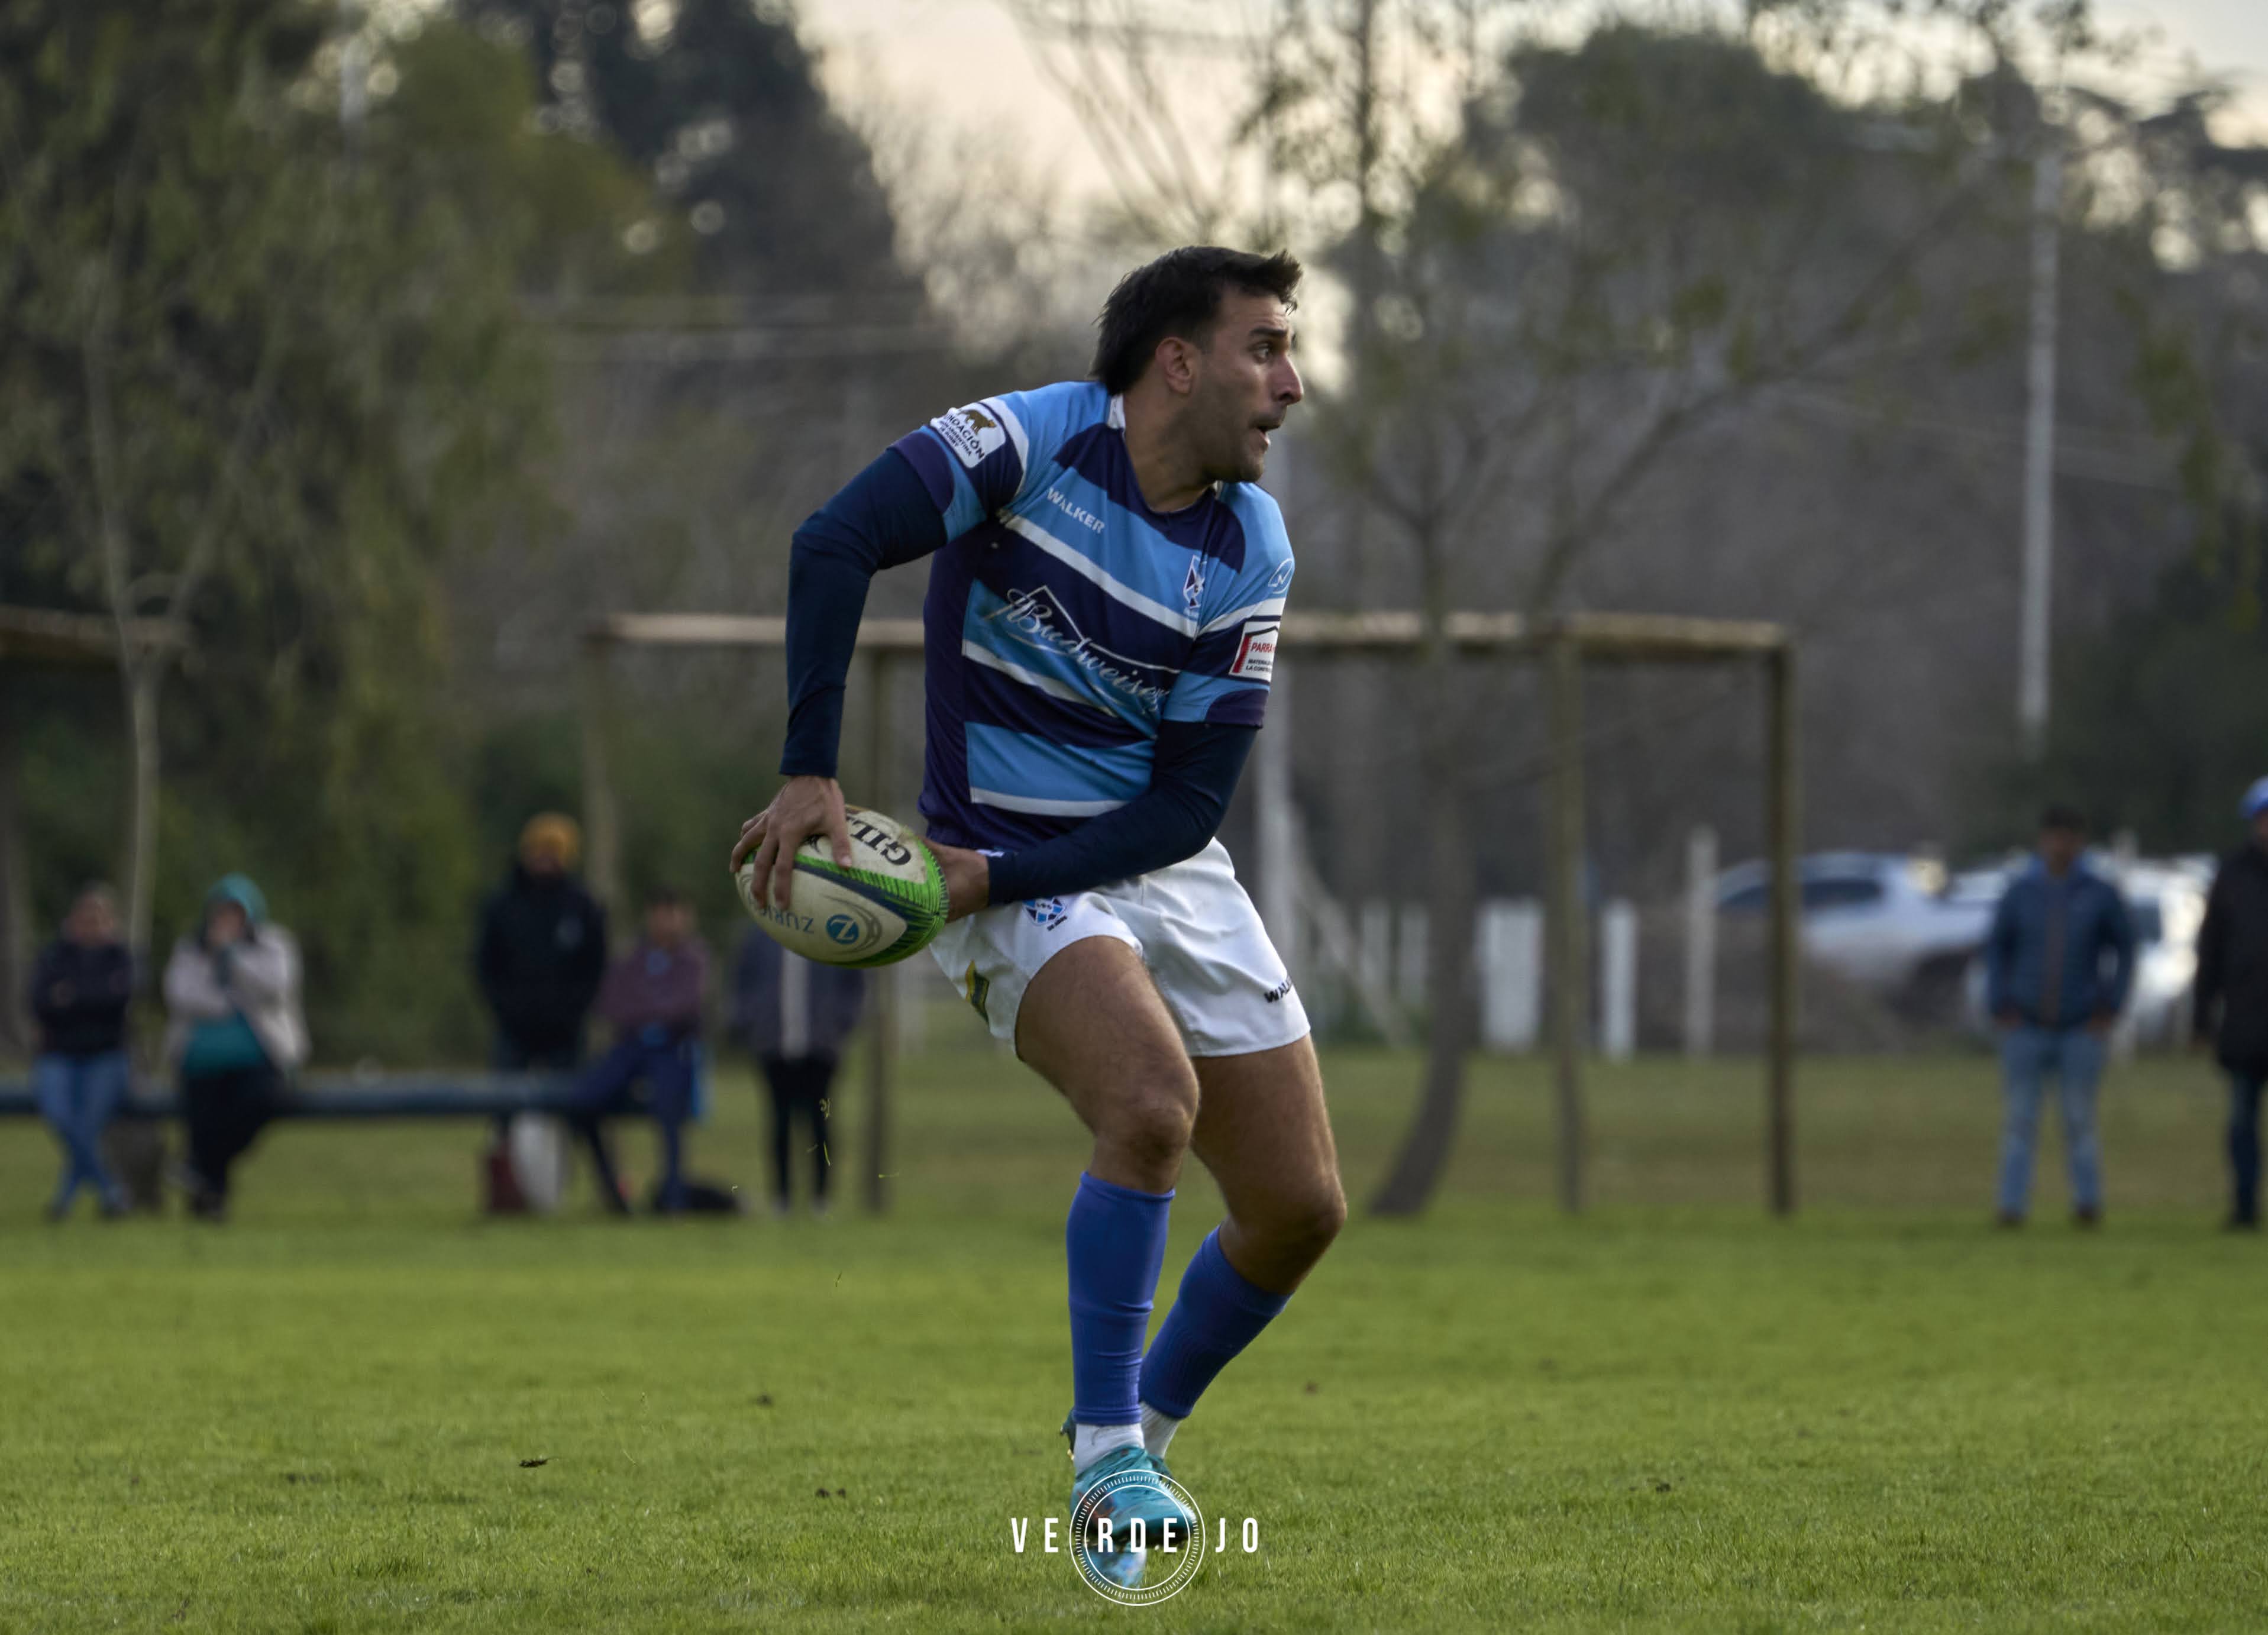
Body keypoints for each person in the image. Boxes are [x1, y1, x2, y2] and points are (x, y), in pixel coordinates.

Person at [732, 246, 1343, 1588]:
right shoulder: (1024, 440)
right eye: (1264, 348)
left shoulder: (1249, 542)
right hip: (1002, 851)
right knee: (1146, 1103)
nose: (1289, 383)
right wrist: (811, 768)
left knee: (1297, 1205)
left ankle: (1135, 1427)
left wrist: (977, 884)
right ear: (1175, 359)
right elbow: (833, 540)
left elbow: (1183, 811)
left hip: (1137, 862)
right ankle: (1105, 1461)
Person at [1983, 807, 2137, 1229]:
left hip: (2081, 1027)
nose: (2060, 846)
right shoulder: (2021, 892)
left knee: (2079, 1119)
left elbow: (2125, 950)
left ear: (2080, 842)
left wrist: (2110, 1007)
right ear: (2042, 840)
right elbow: (1997, 949)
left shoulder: (2099, 894)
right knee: (2019, 1120)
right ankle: (2011, 1207)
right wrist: (2001, 1003)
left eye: (2068, 838)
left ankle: (2087, 1204)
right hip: (2025, 1025)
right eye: (2053, 837)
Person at [163, 875, 306, 1222]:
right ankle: (210, 1201)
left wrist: (232, 957)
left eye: (235, 913)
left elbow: (275, 988)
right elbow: (181, 994)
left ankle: (200, 1171)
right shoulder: (191, 948)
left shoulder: (275, 944)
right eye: (221, 913)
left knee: (257, 1103)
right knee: (204, 1116)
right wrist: (229, 1002)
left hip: (262, 1056)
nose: (226, 921)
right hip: (202, 1061)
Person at [571, 887, 709, 1215]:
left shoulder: (694, 960)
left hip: (673, 1049)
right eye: (659, 912)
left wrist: (647, 1009)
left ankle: (673, 1198)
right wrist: (655, 1010)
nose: (665, 920)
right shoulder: (631, 960)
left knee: (669, 1107)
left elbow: (689, 1007)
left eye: (672, 912)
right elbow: (611, 1005)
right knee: (582, 1101)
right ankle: (613, 1193)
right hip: (630, 1048)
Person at [732, 928, 865, 1216]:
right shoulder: (759, 937)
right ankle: (782, 1198)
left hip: (821, 1048)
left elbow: (854, 985)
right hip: (773, 1046)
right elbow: (742, 983)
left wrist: (839, 1024)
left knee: (821, 1123)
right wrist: (752, 1023)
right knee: (779, 1123)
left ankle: (821, 1198)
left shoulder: (829, 933)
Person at [28, 884, 135, 1220]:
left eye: (98, 919)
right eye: (84, 918)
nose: (90, 926)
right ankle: (111, 1189)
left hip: (106, 1055)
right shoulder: (53, 956)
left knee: (87, 1124)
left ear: (110, 923)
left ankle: (66, 1198)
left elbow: (117, 1003)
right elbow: (39, 1002)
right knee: (60, 1114)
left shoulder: (122, 958)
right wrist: (91, 997)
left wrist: (73, 996)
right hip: (59, 1055)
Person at [2195, 776, 2268, 1230]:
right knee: (2241, 1120)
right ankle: (2245, 1207)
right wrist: (2201, 1017)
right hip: (2247, 1024)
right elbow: (2211, 950)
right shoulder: (2231, 876)